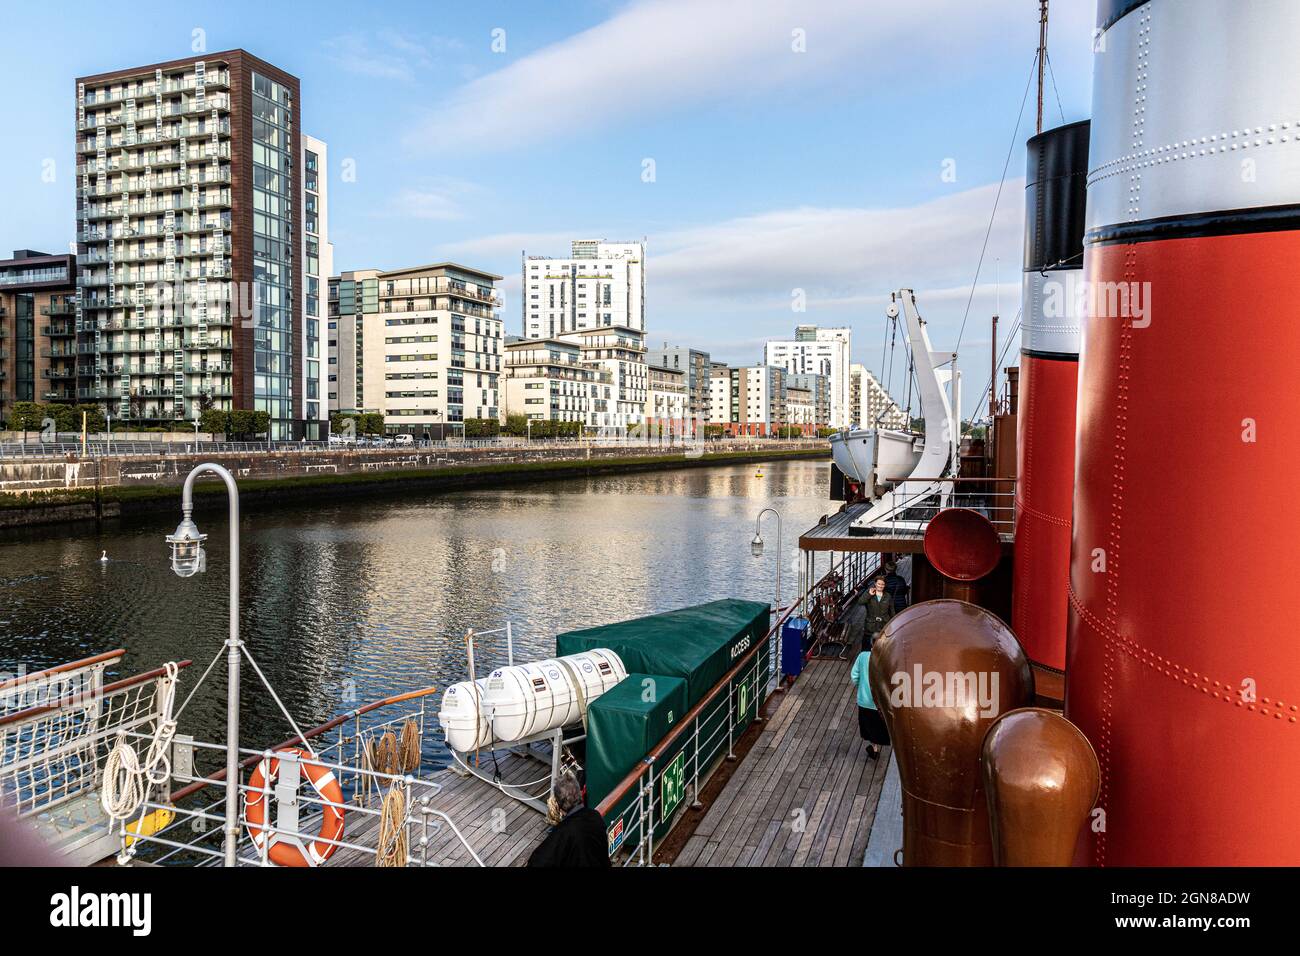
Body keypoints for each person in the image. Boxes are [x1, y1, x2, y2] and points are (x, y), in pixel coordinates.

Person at [527, 772, 611, 867]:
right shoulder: (595, 816)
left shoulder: (563, 832)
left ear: (559, 805)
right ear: (579, 794)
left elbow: (537, 862)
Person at [850, 642, 890, 760]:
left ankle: (874, 748)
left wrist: (861, 686)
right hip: (881, 702)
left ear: (872, 645)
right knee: (880, 725)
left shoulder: (863, 656)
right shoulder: (887, 660)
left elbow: (854, 676)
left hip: (864, 700)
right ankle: (878, 745)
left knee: (869, 726)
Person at [863, 575, 895, 647]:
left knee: (883, 646)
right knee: (867, 645)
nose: (880, 586)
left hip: (884, 625)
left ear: (885, 585)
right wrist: (869, 595)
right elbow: (861, 602)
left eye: (882, 584)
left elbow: (892, 611)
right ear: (875, 584)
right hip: (871, 625)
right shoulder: (869, 593)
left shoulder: (888, 596)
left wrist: (892, 624)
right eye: (879, 584)